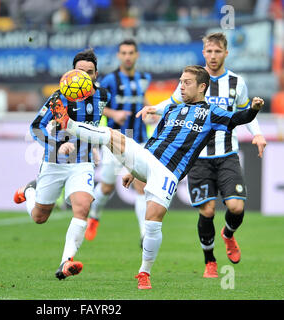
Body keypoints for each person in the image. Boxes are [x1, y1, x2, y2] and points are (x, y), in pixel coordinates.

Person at [49, 65, 264, 289]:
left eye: (187, 82)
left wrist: (254, 109)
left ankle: (144, 272)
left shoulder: (211, 112)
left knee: (152, 221)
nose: (181, 86)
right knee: (111, 135)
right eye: (180, 81)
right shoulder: (172, 109)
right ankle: (69, 125)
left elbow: (239, 117)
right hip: (147, 157)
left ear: (202, 87)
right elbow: (156, 139)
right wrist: (133, 169)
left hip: (168, 172)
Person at [139, 32, 267, 278]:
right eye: (209, 51)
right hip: (198, 155)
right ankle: (210, 261)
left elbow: (243, 114)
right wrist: (155, 108)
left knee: (236, 207)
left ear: (226, 53)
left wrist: (258, 134)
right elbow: (173, 101)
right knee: (207, 211)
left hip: (227, 152)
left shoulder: (236, 83)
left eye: (218, 51)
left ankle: (228, 235)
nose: (213, 56)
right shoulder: (192, 80)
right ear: (203, 53)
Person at [13, 49, 111, 280]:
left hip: (83, 163)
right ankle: (28, 191)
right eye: (79, 72)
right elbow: (36, 127)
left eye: (88, 73)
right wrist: (57, 145)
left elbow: (94, 124)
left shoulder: (103, 96)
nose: (82, 77)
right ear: (70, 73)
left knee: (82, 207)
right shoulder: (58, 97)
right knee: (39, 217)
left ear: (95, 75)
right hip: (55, 162)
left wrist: (95, 144)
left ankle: (65, 262)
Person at [85, 39, 152, 244]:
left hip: (139, 140)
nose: (127, 56)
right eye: (123, 53)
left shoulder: (144, 78)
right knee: (106, 188)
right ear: (118, 56)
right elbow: (94, 104)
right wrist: (114, 112)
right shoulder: (109, 80)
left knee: (141, 186)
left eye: (131, 52)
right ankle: (94, 216)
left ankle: (144, 234)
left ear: (137, 55)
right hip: (114, 140)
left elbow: (142, 99)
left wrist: (151, 110)